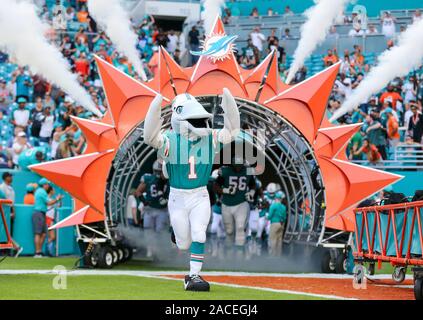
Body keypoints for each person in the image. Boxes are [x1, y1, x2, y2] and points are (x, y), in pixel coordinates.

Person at [143, 89, 240, 291]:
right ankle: (176, 235)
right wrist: (155, 108)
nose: (201, 124)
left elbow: (231, 133)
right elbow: (151, 138)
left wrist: (229, 106)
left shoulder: (210, 137)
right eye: (193, 119)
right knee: (183, 244)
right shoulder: (170, 138)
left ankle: (193, 276)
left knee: (199, 234)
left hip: (200, 194)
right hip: (178, 197)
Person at [214, 158, 256, 248]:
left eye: (240, 166)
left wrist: (251, 192)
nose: (238, 168)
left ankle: (239, 255)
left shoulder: (248, 171)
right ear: (232, 165)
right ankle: (229, 254)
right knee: (229, 231)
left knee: (240, 228)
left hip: (241, 203)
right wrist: (225, 190)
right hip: (226, 204)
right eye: (236, 166)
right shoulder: (225, 171)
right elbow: (215, 186)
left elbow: (253, 184)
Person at [135, 160, 168, 232]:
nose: (159, 174)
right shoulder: (149, 178)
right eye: (157, 171)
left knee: (161, 233)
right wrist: (144, 201)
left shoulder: (169, 181)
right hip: (150, 209)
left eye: (161, 172)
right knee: (148, 232)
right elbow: (138, 192)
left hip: (162, 210)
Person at [32, 178, 63, 258]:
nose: (48, 186)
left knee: (43, 233)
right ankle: (37, 253)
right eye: (47, 184)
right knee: (38, 233)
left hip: (41, 213)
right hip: (39, 213)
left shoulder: (41, 191)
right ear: (44, 185)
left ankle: (39, 252)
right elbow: (49, 202)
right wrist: (57, 199)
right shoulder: (41, 191)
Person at [267, 191, 287, 256]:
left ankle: (272, 255)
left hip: (274, 223)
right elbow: (284, 217)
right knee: (279, 240)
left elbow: (269, 216)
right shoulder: (284, 207)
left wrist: (266, 217)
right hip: (281, 224)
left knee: (272, 239)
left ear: (275, 198)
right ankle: (278, 255)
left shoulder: (273, 206)